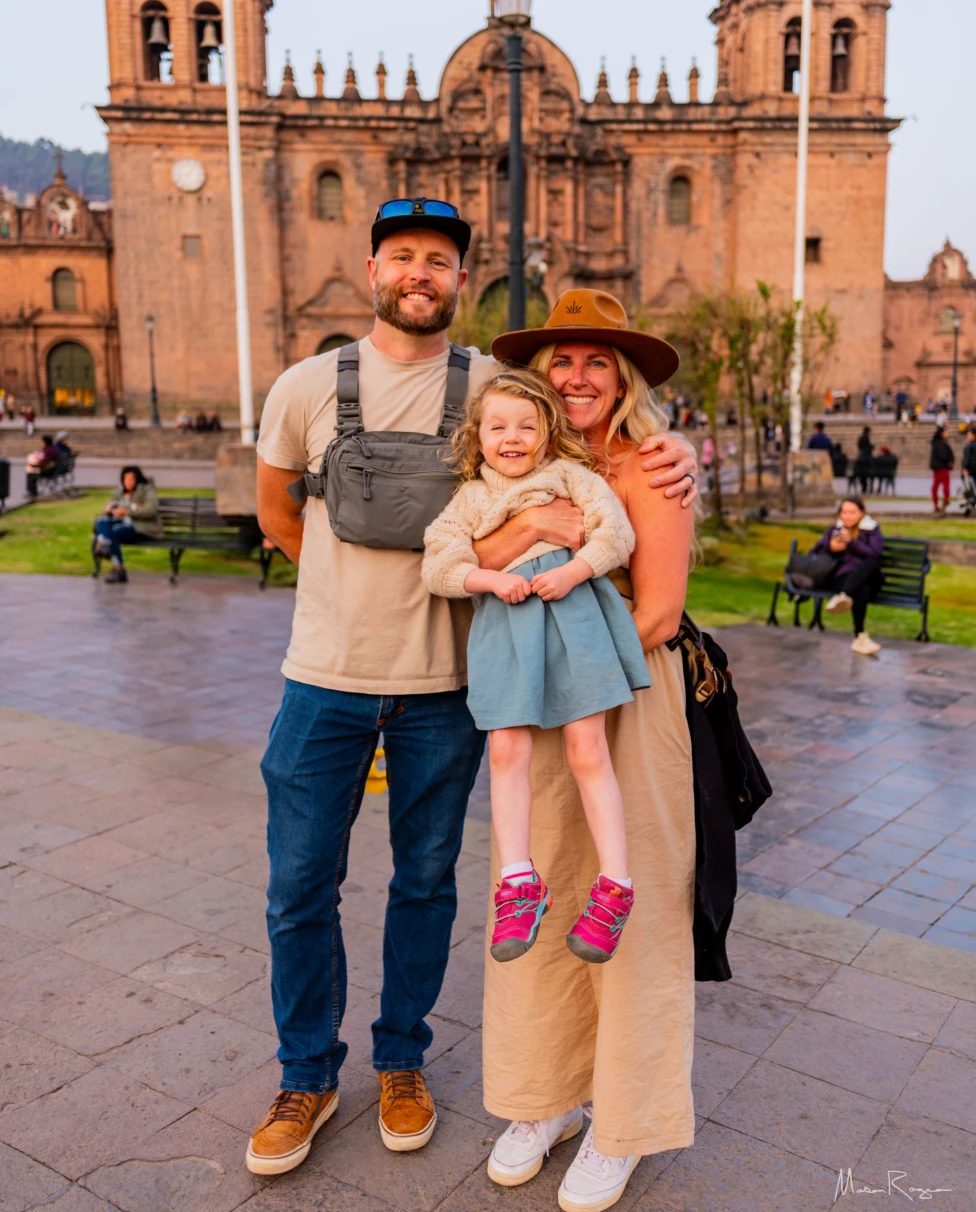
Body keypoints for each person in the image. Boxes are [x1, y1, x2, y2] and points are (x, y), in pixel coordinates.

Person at [247, 205, 700, 1179]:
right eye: (403, 257)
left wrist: (673, 459)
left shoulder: (531, 410)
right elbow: (285, 512)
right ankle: (333, 1079)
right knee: (318, 889)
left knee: (455, 887)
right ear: (373, 267)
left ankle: (534, 1098)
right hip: (378, 681)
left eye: (439, 262)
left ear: (462, 278)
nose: (574, 379)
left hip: (518, 687)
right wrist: (366, 588)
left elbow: (652, 596)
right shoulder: (311, 386)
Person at [478, 290, 697, 1211]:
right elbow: (473, 549)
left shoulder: (653, 466)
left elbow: (659, 612)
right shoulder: (526, 457)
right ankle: (544, 1096)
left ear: (624, 377)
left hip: (627, 697)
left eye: (596, 362)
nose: (576, 377)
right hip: (537, 700)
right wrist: (529, 528)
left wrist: (571, 662)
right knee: (534, 891)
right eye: (562, 361)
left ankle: (624, 1119)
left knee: (628, 905)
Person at [422, 368, 648, 967]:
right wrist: (488, 577)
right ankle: (520, 882)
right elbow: (438, 563)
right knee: (505, 752)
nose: (512, 437)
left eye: (527, 425)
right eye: (498, 427)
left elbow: (615, 534)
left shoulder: (571, 477)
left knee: (586, 749)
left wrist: (574, 570)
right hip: (507, 633)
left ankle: (616, 886)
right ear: (478, 437)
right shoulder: (472, 498)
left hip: (574, 623)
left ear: (549, 432)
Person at [813, 496, 885, 655]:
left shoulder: (871, 530)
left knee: (870, 563)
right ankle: (860, 637)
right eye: (844, 512)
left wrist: (852, 542)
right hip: (845, 578)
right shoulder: (834, 530)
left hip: (871, 577)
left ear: (861, 513)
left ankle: (844, 595)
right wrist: (831, 548)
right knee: (861, 590)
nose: (847, 516)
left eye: (852, 512)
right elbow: (815, 553)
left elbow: (875, 553)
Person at [93, 465, 163, 583]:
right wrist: (110, 510)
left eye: (131, 479)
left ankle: (118, 569)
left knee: (114, 532)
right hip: (121, 524)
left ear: (137, 479)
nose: (128, 482)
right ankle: (104, 545)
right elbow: (109, 507)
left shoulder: (146, 490)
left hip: (141, 527)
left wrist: (127, 512)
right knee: (101, 521)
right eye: (125, 479)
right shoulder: (119, 492)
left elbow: (151, 510)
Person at [930, 425, 954, 514]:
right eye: (946, 432)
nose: (947, 434)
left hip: (938, 467)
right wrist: (949, 462)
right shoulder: (941, 444)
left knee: (935, 486)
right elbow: (944, 455)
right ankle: (945, 500)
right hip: (942, 467)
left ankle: (937, 504)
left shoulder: (937, 443)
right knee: (944, 485)